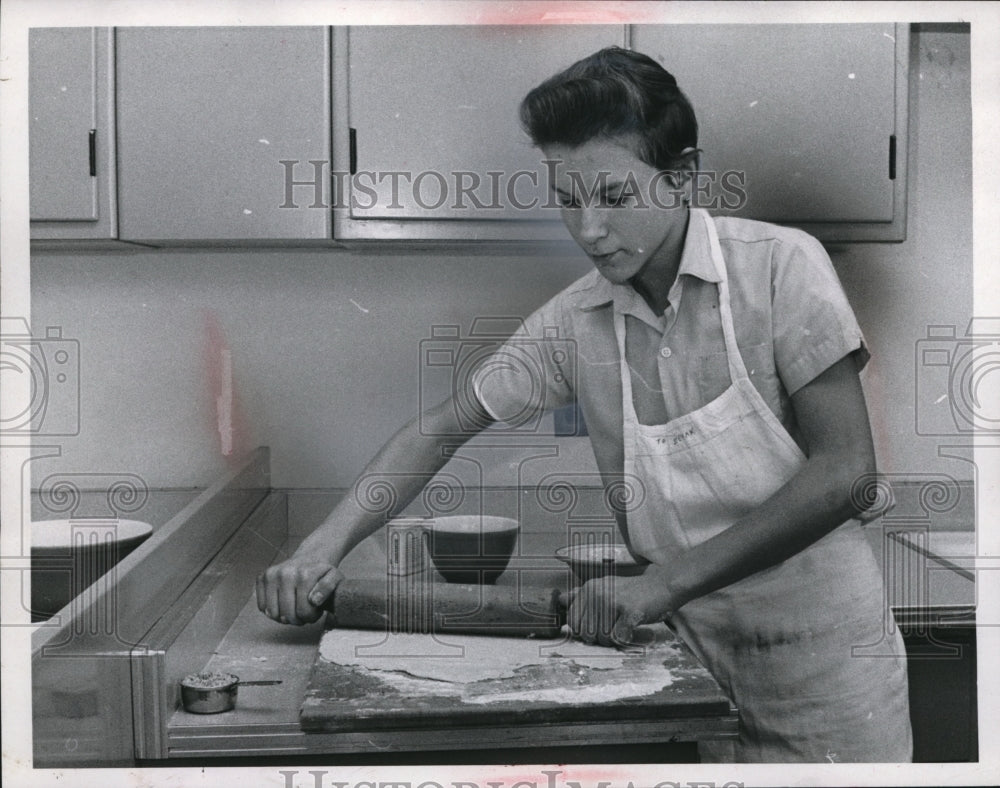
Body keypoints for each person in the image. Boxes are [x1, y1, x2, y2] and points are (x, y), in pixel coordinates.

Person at [257, 46, 912, 763]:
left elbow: (845, 472)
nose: (589, 229)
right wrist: (320, 547)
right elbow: (440, 429)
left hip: (825, 666)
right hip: (689, 658)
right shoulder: (576, 322)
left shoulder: (780, 268)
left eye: (615, 196)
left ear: (683, 174)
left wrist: (660, 585)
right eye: (568, 200)